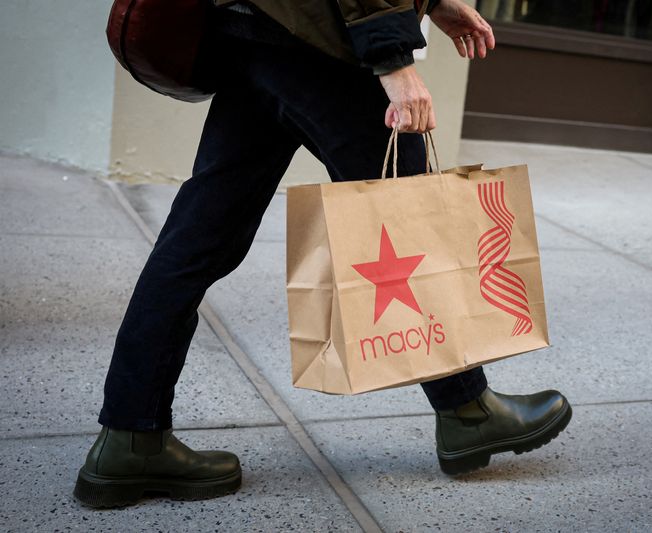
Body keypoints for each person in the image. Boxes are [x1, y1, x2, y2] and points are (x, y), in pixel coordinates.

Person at [73, 0, 572, 508]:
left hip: (249, 32)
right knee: (409, 218)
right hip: (320, 40)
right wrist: (393, 59)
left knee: (194, 242)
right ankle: (470, 414)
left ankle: (129, 438)